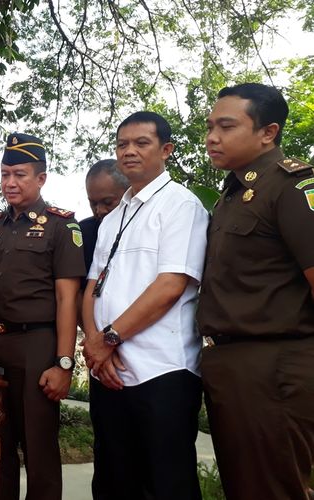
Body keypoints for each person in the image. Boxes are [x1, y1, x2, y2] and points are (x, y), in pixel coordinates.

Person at [81, 112, 208, 500]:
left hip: (162, 370)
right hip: (109, 371)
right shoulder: (114, 216)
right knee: (113, 479)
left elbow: (170, 285)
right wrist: (93, 344)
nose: (129, 151)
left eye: (141, 143)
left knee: (166, 482)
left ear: (166, 150)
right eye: (122, 144)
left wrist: (110, 337)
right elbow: (93, 286)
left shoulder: (180, 206)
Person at [197, 83, 314, 500]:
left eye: (226, 126)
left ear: (268, 132)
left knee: (275, 486)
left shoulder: (292, 186)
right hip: (232, 368)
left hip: (275, 367)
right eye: (210, 126)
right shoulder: (231, 196)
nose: (212, 137)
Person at [0, 133, 84, 500]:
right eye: (4, 174)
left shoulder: (62, 226)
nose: (10, 183)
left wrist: (64, 363)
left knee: (38, 448)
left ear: (41, 178)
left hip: (36, 347)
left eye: (19, 174)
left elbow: (68, 298)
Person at [79, 158, 130, 277]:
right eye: (93, 203)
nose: (99, 210)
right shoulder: (83, 233)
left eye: (108, 202)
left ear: (129, 193)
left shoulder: (147, 226)